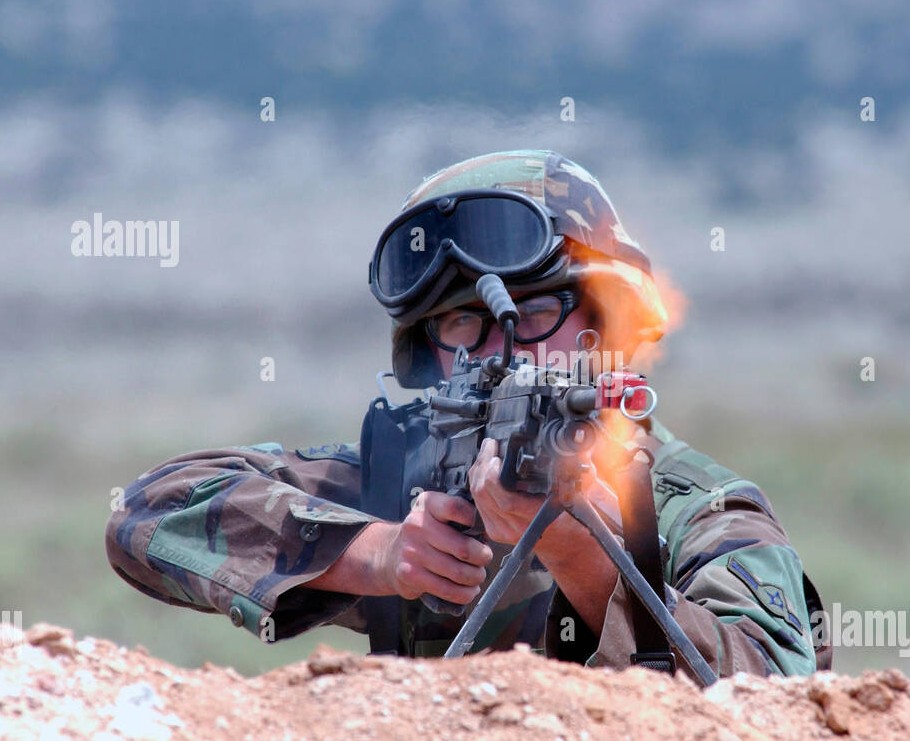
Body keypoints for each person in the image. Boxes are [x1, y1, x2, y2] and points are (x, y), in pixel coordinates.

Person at [105, 150, 827, 681]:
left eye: (533, 311)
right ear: (431, 352)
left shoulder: (696, 509)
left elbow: (775, 704)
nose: (499, 348)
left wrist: (586, 558)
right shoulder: (411, 478)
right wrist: (382, 555)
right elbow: (147, 515)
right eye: (461, 324)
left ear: (605, 326)